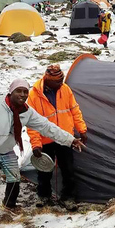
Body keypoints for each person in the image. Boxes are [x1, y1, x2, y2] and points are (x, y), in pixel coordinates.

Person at [0, 79, 85, 228]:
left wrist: (70, 140)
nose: (23, 94)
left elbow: (47, 127)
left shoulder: (26, 112)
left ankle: (8, 206)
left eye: (25, 91)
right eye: (19, 91)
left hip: (7, 151)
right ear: (11, 91)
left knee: (14, 177)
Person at [27, 65, 88, 211]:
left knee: (68, 169)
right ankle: (43, 196)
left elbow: (75, 110)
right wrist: (36, 144)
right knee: (44, 170)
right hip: (45, 139)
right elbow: (31, 123)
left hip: (65, 137)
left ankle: (68, 198)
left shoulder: (65, 89)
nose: (61, 84)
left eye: (62, 80)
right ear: (47, 80)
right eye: (57, 82)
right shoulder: (34, 95)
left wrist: (82, 129)